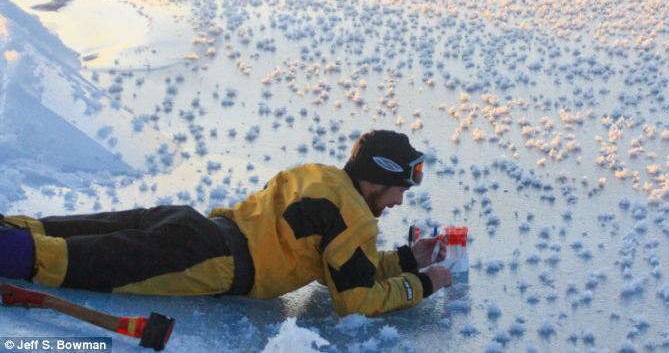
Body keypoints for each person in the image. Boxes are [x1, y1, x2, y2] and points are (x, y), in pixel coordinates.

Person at [0, 130, 452, 317]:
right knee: (74, 261)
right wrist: (423, 283)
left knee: (63, 231)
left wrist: (410, 258)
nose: (398, 201)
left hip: (193, 225)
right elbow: (355, 299)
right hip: (209, 262)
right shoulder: (356, 220)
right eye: (399, 189)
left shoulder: (323, 179)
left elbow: (343, 262)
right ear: (377, 180)